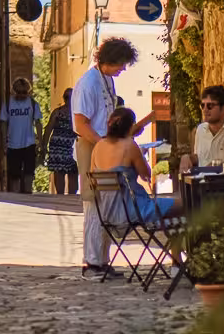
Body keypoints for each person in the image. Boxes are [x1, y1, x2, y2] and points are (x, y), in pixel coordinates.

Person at [72, 37, 153, 279]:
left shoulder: (106, 79)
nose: (123, 69)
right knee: (94, 205)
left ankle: (103, 260)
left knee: (107, 203)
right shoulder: (88, 83)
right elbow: (80, 124)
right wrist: (106, 146)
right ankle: (91, 263)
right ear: (108, 60)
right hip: (92, 146)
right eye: (121, 64)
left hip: (104, 145)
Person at [91, 107, 177, 226]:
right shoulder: (130, 146)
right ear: (131, 127)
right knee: (185, 204)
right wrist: (141, 155)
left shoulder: (98, 147)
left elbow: (93, 182)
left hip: (105, 213)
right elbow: (146, 176)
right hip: (133, 210)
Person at [0, 77, 43, 194]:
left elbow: (38, 123)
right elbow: (3, 123)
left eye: (24, 92)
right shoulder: (8, 104)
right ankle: (15, 196)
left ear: (28, 92)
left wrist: (40, 141)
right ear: (14, 91)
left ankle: (28, 193)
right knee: (14, 174)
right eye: (19, 92)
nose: (22, 95)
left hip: (29, 142)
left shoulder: (33, 104)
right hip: (13, 143)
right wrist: (3, 141)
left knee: (29, 172)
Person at [40, 88, 79, 195]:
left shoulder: (77, 114)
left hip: (71, 147)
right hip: (58, 146)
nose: (69, 100)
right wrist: (44, 146)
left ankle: (71, 196)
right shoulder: (58, 113)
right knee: (59, 171)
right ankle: (60, 196)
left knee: (73, 170)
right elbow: (48, 129)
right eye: (67, 97)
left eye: (71, 97)